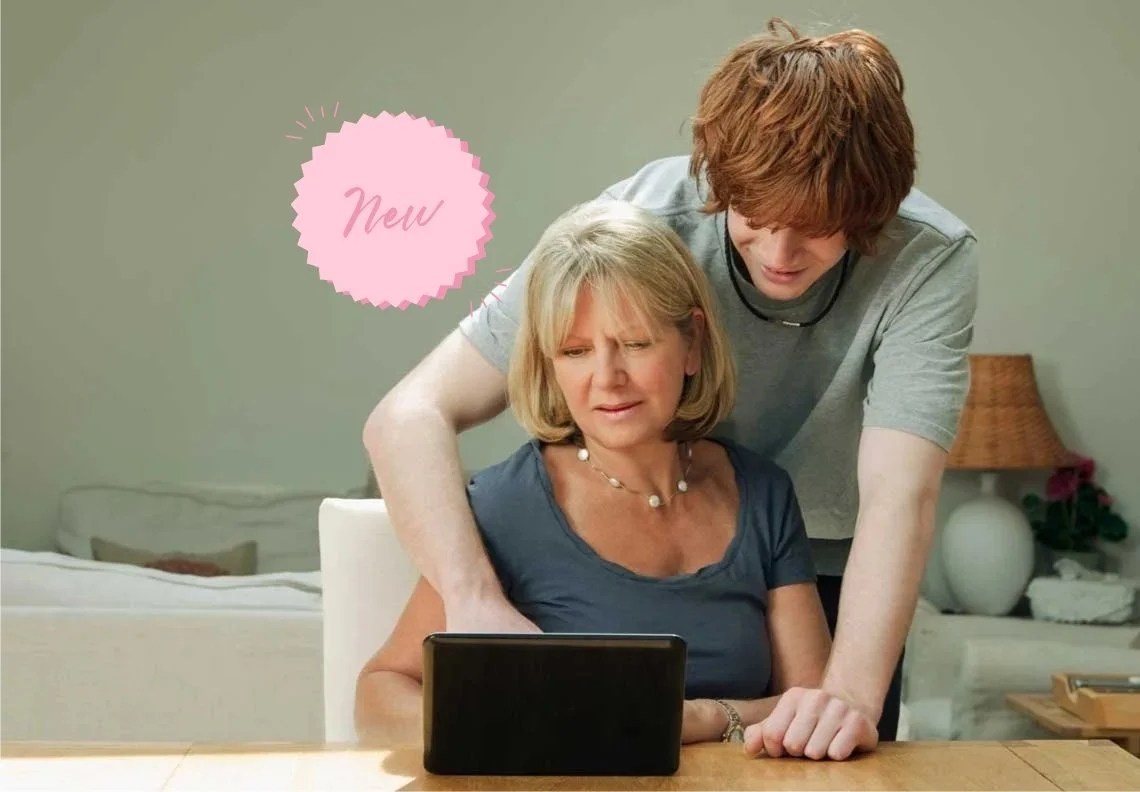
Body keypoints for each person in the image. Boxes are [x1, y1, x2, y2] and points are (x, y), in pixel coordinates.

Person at [364, 18, 977, 760]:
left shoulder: (929, 260)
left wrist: (843, 700)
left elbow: (898, 495)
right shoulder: (638, 224)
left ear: (873, 214)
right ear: (719, 184)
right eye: (757, 219)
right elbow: (409, 414)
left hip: (835, 567)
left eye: (818, 228)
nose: (781, 255)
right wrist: (474, 598)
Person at [356, 200, 836, 751]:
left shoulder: (763, 493)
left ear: (692, 344)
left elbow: (814, 706)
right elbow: (379, 693)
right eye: (576, 351)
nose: (607, 378)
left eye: (634, 343)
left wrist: (701, 717)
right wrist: (508, 734)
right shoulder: (506, 508)